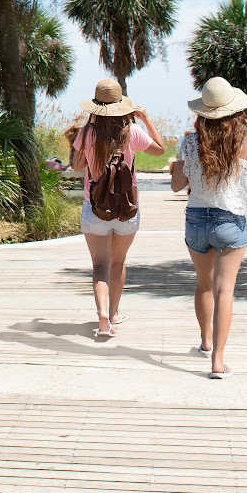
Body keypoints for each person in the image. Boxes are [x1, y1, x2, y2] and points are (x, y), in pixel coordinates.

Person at [170, 76, 247, 379]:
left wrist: (177, 166)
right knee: (224, 290)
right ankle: (217, 361)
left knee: (204, 284)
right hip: (229, 220)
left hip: (197, 219)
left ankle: (204, 342)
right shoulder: (245, 141)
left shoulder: (190, 142)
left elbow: (178, 185)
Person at [69, 79, 164, 339]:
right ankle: (114, 313)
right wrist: (145, 119)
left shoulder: (87, 133)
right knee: (118, 261)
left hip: (94, 207)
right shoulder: (131, 131)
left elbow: (77, 167)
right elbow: (159, 151)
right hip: (127, 208)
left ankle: (101, 316)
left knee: (99, 265)